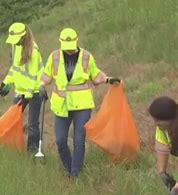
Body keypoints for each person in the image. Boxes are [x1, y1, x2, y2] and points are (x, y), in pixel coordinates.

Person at [40, 27, 120, 177]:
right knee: (60, 140)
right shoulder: (55, 57)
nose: (69, 50)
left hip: (82, 106)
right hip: (62, 106)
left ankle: (75, 174)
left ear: (77, 41)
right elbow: (46, 76)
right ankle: (69, 167)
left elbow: (95, 75)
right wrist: (41, 87)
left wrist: (108, 79)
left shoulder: (86, 57)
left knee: (79, 140)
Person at [0, 23, 43, 153]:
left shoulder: (33, 50)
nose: (15, 43)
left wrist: (27, 94)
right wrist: (6, 82)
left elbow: (33, 75)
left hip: (34, 91)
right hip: (21, 91)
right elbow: (15, 68)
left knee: (32, 125)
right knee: (12, 120)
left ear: (23, 37)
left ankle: (33, 153)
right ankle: (10, 148)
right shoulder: (15, 47)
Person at [148, 96, 178, 195]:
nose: (155, 124)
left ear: (172, 120)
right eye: (154, 120)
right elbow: (162, 149)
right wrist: (162, 173)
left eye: (159, 121)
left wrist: (175, 190)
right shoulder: (161, 129)